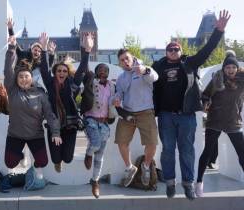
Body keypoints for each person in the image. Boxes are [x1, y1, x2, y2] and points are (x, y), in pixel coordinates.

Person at [152, 10, 230, 200]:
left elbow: (207, 49)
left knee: (187, 150)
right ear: (165, 52)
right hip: (165, 116)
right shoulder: (158, 66)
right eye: (170, 49)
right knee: (168, 150)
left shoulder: (190, 63)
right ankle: (170, 182)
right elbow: (144, 77)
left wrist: (218, 32)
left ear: (180, 51)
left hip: (186, 115)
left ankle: (188, 184)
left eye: (176, 49)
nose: (173, 52)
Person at [3, 35, 61, 181]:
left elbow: (49, 114)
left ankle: (31, 172)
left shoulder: (40, 93)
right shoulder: (12, 90)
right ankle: (22, 155)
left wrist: (55, 132)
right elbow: (8, 70)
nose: (23, 79)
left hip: (35, 135)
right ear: (16, 79)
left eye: (26, 76)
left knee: (43, 162)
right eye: (20, 77)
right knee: (10, 162)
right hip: (15, 134)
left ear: (31, 78)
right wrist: (11, 48)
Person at [38, 32, 93, 172]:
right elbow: (44, 69)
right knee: (56, 159)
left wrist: (87, 50)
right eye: (58, 71)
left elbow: (81, 68)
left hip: (70, 126)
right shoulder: (50, 84)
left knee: (68, 158)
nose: (61, 73)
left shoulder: (73, 84)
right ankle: (57, 162)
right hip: (54, 126)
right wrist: (44, 49)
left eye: (64, 71)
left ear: (67, 73)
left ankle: (63, 159)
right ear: (55, 73)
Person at [195, 53, 244, 197]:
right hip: (215, 120)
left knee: (242, 153)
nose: (230, 70)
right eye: (227, 67)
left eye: (233, 67)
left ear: (237, 68)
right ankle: (199, 182)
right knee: (207, 152)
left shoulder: (242, 80)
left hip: (233, 121)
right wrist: (205, 103)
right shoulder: (217, 78)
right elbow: (205, 94)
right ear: (223, 68)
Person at [113, 49, 158, 187]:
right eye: (122, 60)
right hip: (128, 113)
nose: (125, 61)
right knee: (121, 141)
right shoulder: (121, 78)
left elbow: (155, 77)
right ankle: (129, 167)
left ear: (132, 58)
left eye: (127, 58)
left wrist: (145, 71)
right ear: (119, 63)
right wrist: (116, 98)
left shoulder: (144, 68)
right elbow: (119, 93)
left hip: (146, 112)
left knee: (152, 142)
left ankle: (146, 166)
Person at [81, 62, 117, 198]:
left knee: (100, 155)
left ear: (108, 73)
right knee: (95, 144)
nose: (103, 72)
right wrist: (87, 49)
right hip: (90, 119)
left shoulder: (112, 86)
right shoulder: (91, 82)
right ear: (96, 72)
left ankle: (95, 181)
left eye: (105, 70)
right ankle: (88, 154)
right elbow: (87, 74)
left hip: (104, 122)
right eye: (100, 70)